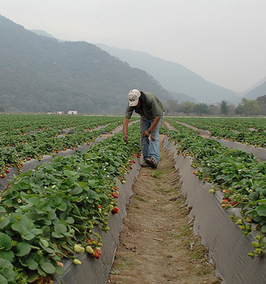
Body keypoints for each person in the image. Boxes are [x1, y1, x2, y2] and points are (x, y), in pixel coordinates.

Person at [123, 89, 165, 168]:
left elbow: (157, 117)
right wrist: (125, 134)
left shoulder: (150, 99)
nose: (135, 105)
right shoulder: (131, 104)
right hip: (144, 117)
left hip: (155, 117)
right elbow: (126, 120)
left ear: (140, 98)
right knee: (143, 136)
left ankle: (154, 159)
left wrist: (149, 130)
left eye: (136, 102)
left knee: (154, 136)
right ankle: (147, 160)